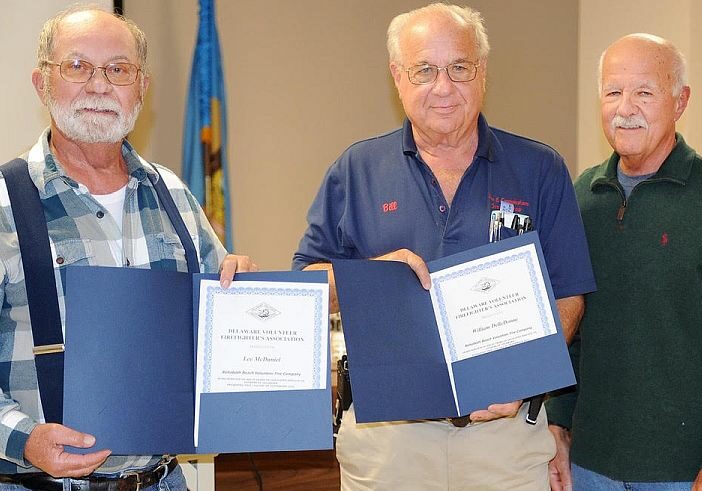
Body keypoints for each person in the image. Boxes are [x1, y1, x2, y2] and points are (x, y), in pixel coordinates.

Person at [293, 3, 596, 490]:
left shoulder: (540, 168)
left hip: (504, 439)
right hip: (388, 442)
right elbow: (305, 289)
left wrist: (516, 377)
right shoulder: (357, 169)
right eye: (424, 70)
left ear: (482, 73)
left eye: (460, 67)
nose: (443, 86)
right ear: (397, 76)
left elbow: (569, 295)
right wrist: (371, 276)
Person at [0, 7, 256, 490]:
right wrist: (23, 438)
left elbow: (212, 335)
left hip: (163, 480)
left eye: (118, 69)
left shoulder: (175, 194)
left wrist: (237, 292)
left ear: (141, 86)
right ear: (42, 83)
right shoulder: (4, 203)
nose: (99, 85)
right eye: (77, 66)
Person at [547, 33, 702, 491]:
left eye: (644, 92)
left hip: (680, 471)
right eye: (613, 91)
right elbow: (569, 324)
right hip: (589, 465)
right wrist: (557, 424)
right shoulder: (580, 195)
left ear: (680, 101)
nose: (625, 107)